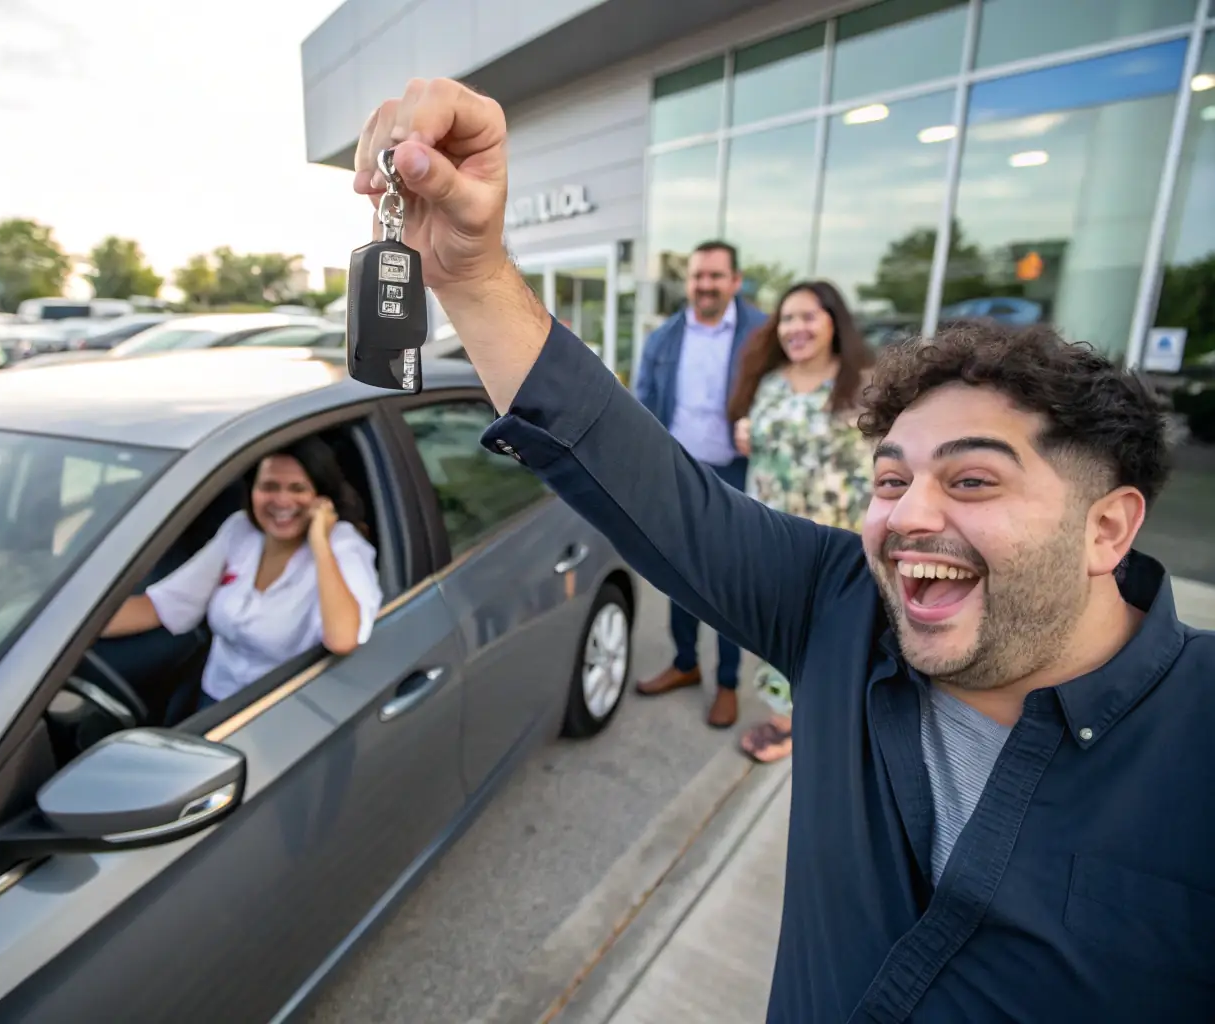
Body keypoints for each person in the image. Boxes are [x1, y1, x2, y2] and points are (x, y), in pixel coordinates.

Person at [350, 79, 1214, 1022]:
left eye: (969, 480)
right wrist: (473, 278)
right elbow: (638, 472)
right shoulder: (842, 606)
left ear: (1107, 528)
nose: (904, 517)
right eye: (888, 481)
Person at [102, 438, 383, 714]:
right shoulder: (240, 530)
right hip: (217, 699)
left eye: (298, 488)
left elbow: (343, 638)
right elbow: (162, 606)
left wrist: (321, 543)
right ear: (252, 491)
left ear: (322, 498)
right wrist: (72, 628)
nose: (282, 500)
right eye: (269, 486)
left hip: (286, 713)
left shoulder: (344, 547)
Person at [727, 279, 874, 762]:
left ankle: (802, 722)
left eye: (807, 316)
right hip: (772, 533)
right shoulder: (770, 382)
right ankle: (788, 716)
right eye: (787, 318)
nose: (795, 327)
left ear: (834, 320)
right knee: (779, 627)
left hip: (836, 537)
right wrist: (745, 431)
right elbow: (756, 436)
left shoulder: (863, 384)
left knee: (829, 633)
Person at [633, 239, 766, 729]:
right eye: (698, 276)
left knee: (728, 582)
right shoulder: (663, 339)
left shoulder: (761, 334)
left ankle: (727, 681)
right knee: (680, 574)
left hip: (736, 474)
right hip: (679, 473)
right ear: (687, 282)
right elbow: (642, 406)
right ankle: (685, 663)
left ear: (735, 280)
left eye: (715, 276)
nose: (705, 285)